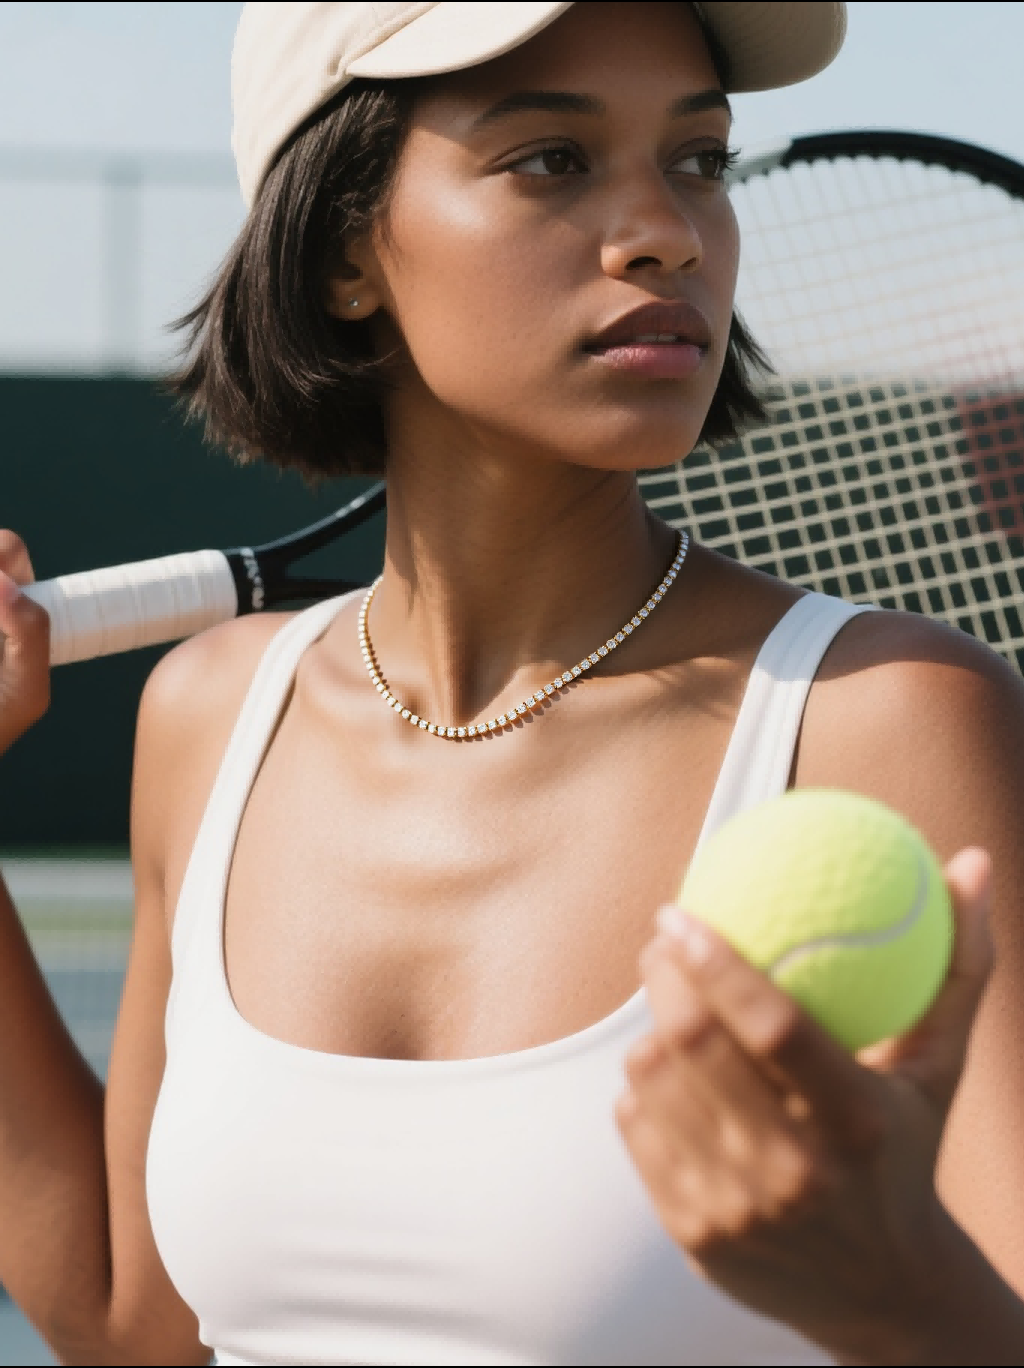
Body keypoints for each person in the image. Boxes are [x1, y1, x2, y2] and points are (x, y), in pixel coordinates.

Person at [1, 2, 1024, 1363]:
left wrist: (894, 1289)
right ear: (346, 250)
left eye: (702, 160)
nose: (667, 229)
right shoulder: (210, 712)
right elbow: (136, 1326)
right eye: (550, 159)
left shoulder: (892, 717)